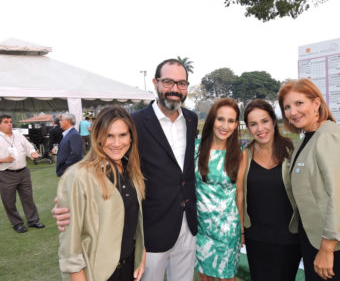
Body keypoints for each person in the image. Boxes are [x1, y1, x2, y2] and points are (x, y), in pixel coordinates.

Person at [53, 59, 198, 281]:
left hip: (187, 225)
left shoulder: (191, 119)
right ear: (155, 82)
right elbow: (101, 166)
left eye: (181, 83)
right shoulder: (134, 122)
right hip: (152, 230)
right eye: (168, 82)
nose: (175, 89)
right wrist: (66, 208)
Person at [278, 78, 340, 281]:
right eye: (287, 107)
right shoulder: (307, 138)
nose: (293, 112)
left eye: (299, 103)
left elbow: (339, 197)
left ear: (316, 104)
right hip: (314, 239)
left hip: (336, 245)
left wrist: (327, 248)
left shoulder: (329, 137)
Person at [57, 106, 146, 281]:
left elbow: (136, 222)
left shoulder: (132, 171)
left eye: (122, 135)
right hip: (97, 274)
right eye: (109, 135)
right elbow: (70, 246)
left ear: (131, 137)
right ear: (97, 136)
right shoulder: (78, 176)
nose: (116, 143)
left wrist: (141, 257)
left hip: (129, 270)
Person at [236, 99, 301, 281]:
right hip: (256, 238)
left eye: (264, 121)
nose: (260, 129)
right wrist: (241, 229)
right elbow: (239, 193)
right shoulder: (245, 154)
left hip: (289, 237)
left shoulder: (292, 150)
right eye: (253, 124)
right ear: (248, 128)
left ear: (273, 121)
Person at [195, 98, 242, 281]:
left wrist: (242, 231)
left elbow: (240, 194)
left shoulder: (239, 154)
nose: (225, 126)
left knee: (226, 278)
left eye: (231, 121)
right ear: (212, 120)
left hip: (227, 232)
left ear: (236, 124)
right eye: (220, 119)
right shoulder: (195, 150)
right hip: (201, 229)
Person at [0, 114, 45, 233]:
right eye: (6, 122)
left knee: (28, 198)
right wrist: (4, 160)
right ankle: (17, 224)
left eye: (10, 121)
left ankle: (33, 221)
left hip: (24, 172)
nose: (10, 124)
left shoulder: (19, 135)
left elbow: (28, 147)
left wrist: (32, 153)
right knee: (9, 201)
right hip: (6, 174)